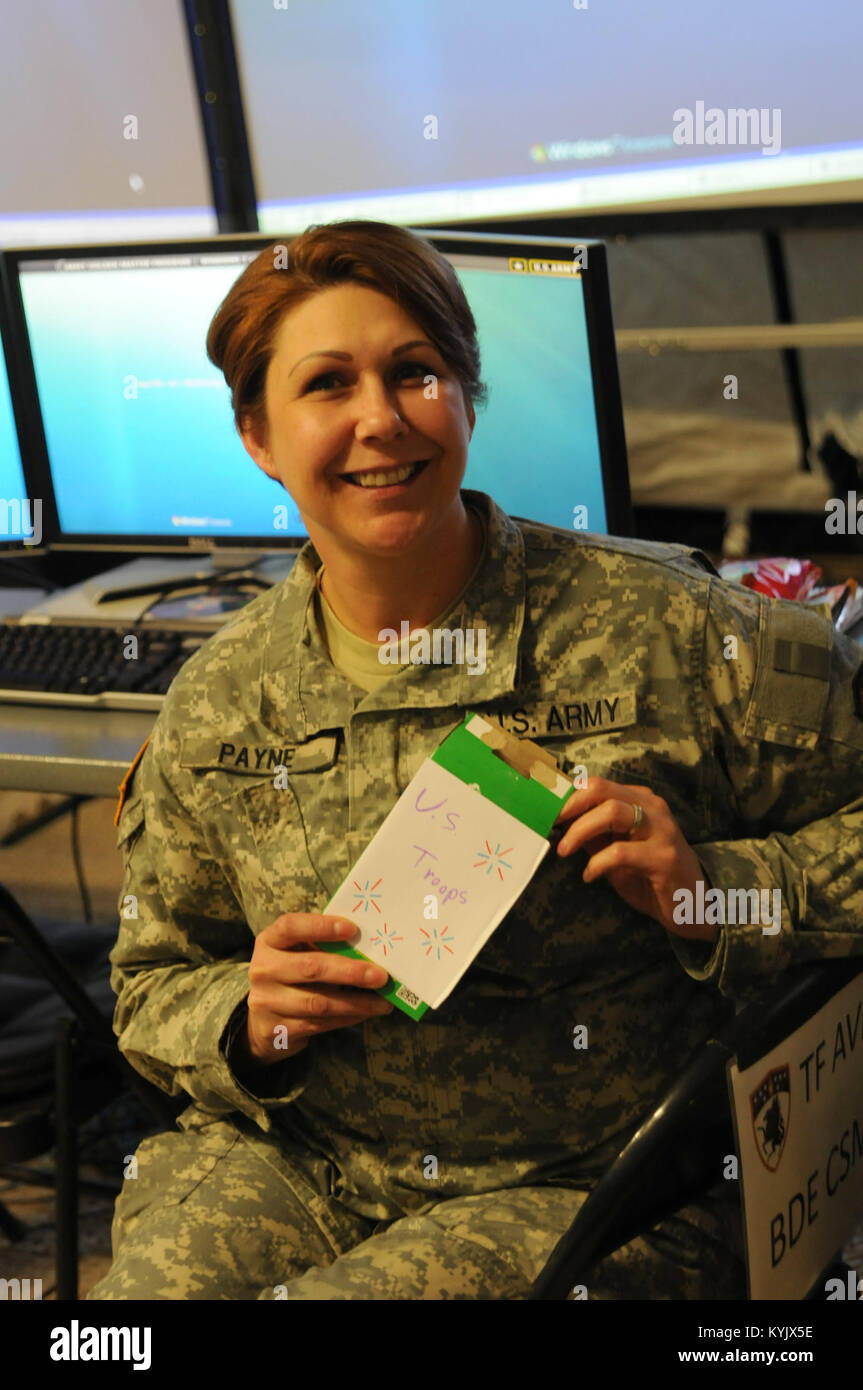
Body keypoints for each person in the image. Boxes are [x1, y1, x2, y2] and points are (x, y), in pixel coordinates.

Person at [89, 220, 863, 1301]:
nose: (379, 420)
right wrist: (248, 1016)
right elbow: (151, 979)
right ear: (257, 435)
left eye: (416, 372)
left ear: (465, 395)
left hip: (591, 1176)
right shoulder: (222, 695)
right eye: (327, 385)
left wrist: (711, 892)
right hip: (302, 1156)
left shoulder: (676, 630)